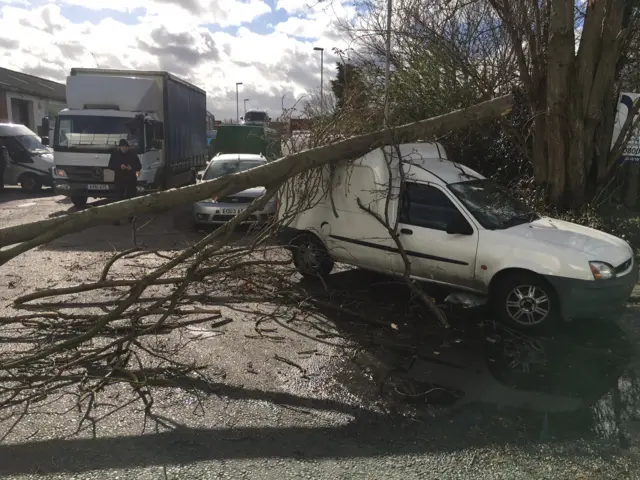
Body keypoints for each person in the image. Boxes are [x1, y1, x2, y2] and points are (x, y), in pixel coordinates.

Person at [108, 139, 141, 225]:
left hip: (131, 180)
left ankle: (131, 217)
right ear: (120, 147)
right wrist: (119, 167)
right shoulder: (115, 154)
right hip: (119, 179)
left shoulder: (133, 154)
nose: (124, 149)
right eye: (122, 147)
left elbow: (139, 166)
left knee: (131, 198)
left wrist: (132, 168)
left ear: (128, 147)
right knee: (118, 199)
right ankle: (117, 219)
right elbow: (110, 165)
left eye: (126, 147)